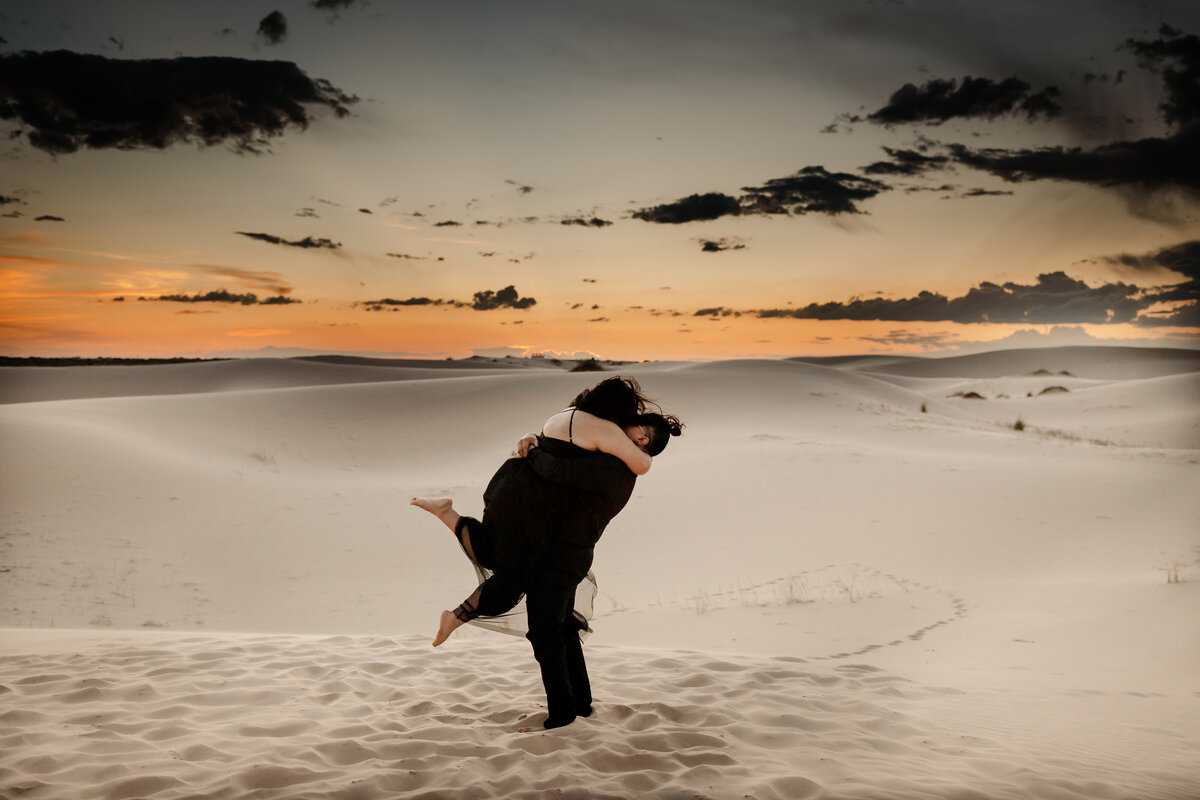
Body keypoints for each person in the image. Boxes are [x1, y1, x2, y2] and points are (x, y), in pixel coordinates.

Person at [411, 376, 682, 729]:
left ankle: (562, 714)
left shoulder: (614, 469)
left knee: (544, 630)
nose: (626, 429)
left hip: (562, 557)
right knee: (563, 627)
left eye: (638, 431)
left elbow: (557, 471)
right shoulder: (612, 458)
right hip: (560, 552)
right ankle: (579, 704)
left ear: (643, 443)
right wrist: (535, 439)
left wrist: (534, 448)